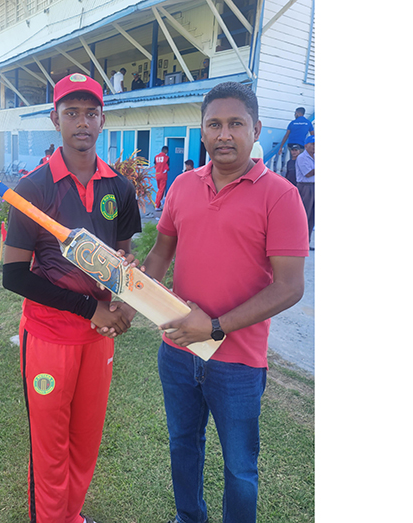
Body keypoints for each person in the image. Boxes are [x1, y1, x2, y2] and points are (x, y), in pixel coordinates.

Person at [139, 82, 308, 523]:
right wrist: (131, 290)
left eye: (236, 123)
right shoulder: (181, 186)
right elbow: (160, 253)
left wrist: (214, 327)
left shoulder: (281, 196)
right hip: (177, 351)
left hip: (238, 361)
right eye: (214, 124)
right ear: (202, 132)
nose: (224, 134)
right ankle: (189, 518)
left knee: (240, 468)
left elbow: (290, 286)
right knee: (182, 446)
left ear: (255, 129)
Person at [1, 72, 142, 523]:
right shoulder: (34, 189)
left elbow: (124, 257)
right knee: (50, 448)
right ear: (55, 119)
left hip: (98, 339)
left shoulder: (119, 188)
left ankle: (71, 516)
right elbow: (13, 276)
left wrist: (121, 300)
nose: (82, 122)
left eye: (90, 113)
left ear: (102, 119)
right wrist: (89, 307)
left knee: (84, 443)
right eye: (71, 113)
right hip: (48, 338)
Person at [295, 134, 315, 250]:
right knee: (304, 215)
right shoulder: (302, 157)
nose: (315, 147)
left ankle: (307, 243)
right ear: (306, 145)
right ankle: (299, 242)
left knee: (313, 216)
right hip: (305, 187)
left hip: (315, 186)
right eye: (313, 144)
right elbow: (307, 174)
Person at [153, 145, 169, 211]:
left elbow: (155, 166)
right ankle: (157, 205)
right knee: (161, 191)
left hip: (157, 175)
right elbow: (167, 167)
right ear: (165, 150)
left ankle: (157, 204)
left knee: (159, 190)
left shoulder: (156, 157)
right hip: (163, 176)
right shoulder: (166, 158)